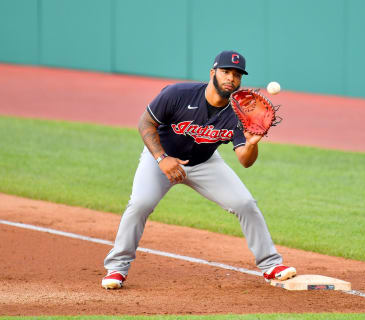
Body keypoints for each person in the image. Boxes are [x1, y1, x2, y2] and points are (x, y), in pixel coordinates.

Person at [101, 50, 296, 289]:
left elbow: (245, 160)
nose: (231, 79)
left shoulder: (239, 113)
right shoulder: (178, 94)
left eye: (237, 75)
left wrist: (253, 144)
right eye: (226, 72)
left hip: (204, 163)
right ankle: (117, 269)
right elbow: (145, 122)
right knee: (140, 204)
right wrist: (162, 158)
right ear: (213, 72)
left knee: (245, 203)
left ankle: (271, 265)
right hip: (161, 158)